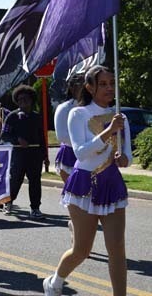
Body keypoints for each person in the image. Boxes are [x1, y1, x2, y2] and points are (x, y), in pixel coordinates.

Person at [43, 65, 132, 296]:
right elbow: (81, 152)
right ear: (90, 87)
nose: (109, 88)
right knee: (82, 250)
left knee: (117, 249)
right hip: (83, 184)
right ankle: (54, 282)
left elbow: (127, 156)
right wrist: (108, 131)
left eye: (112, 83)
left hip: (111, 183)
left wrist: (123, 159)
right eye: (103, 84)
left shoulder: (120, 116)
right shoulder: (78, 114)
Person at [1, 84, 49, 219]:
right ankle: (8, 202)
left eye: (26, 99)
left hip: (35, 154)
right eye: (20, 99)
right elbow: (4, 135)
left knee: (35, 181)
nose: (23, 102)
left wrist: (45, 156)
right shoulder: (12, 116)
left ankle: (35, 208)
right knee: (16, 180)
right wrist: (17, 140)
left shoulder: (36, 117)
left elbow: (42, 137)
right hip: (19, 154)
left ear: (31, 100)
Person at [53, 73, 85, 238]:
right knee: (75, 195)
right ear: (72, 88)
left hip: (89, 155)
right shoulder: (65, 108)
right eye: (81, 84)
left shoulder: (90, 108)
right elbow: (62, 135)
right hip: (70, 155)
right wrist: (84, 143)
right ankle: (77, 229)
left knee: (87, 197)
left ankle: (80, 229)